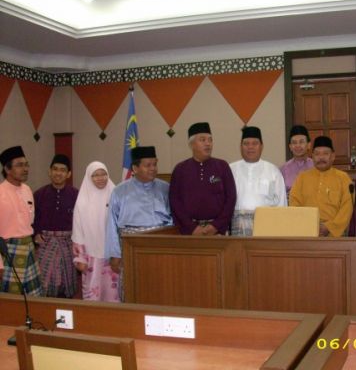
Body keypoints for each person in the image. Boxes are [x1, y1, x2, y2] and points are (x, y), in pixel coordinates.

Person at [105, 146, 173, 297]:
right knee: (132, 287)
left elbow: (173, 219)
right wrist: (115, 254)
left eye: (155, 164)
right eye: (148, 165)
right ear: (135, 168)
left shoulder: (165, 188)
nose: (153, 168)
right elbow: (112, 225)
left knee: (161, 286)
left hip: (160, 246)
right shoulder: (119, 191)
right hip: (131, 246)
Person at [169, 122, 236, 235]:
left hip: (217, 232)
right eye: (202, 140)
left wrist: (216, 226)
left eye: (210, 140)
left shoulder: (222, 166)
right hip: (190, 232)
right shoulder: (180, 169)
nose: (208, 143)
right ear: (191, 144)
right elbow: (175, 202)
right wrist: (191, 228)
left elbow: (231, 199)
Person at [72, 162, 119, 302]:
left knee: (114, 294)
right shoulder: (82, 201)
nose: (101, 178)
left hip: (113, 256)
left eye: (104, 174)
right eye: (95, 175)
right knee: (93, 294)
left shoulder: (115, 195)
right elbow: (78, 230)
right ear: (89, 177)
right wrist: (80, 258)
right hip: (91, 256)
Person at [33, 154, 78, 298]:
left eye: (62, 170)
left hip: (68, 244)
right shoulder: (39, 194)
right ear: (49, 171)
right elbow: (31, 218)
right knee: (43, 283)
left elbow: (81, 221)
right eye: (55, 169)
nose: (58, 173)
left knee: (66, 284)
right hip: (45, 244)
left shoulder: (76, 195)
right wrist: (36, 233)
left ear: (68, 174)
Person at [290, 136, 353, 237]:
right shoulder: (302, 178)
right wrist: (308, 225)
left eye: (325, 153)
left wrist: (329, 227)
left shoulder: (343, 178)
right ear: (312, 156)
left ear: (333, 156)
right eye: (317, 154)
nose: (321, 157)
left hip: (334, 235)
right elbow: (294, 203)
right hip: (306, 232)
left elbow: (347, 207)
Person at [0, 146, 42, 296]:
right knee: (11, 300)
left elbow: (30, 222)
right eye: (19, 165)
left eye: (26, 164)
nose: (25, 169)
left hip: (28, 247)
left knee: (34, 297)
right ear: (7, 169)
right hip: (8, 251)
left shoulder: (27, 190)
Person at [230, 126, 287, 236]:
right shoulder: (230, 170)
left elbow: (281, 204)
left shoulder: (273, 171)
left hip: (266, 226)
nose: (250, 147)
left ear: (262, 146)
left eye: (255, 143)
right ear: (240, 146)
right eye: (246, 143)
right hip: (236, 226)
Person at [280, 125, 314, 197]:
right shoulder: (283, 169)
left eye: (301, 142)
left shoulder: (315, 166)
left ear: (309, 145)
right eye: (294, 142)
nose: (298, 146)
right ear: (290, 147)